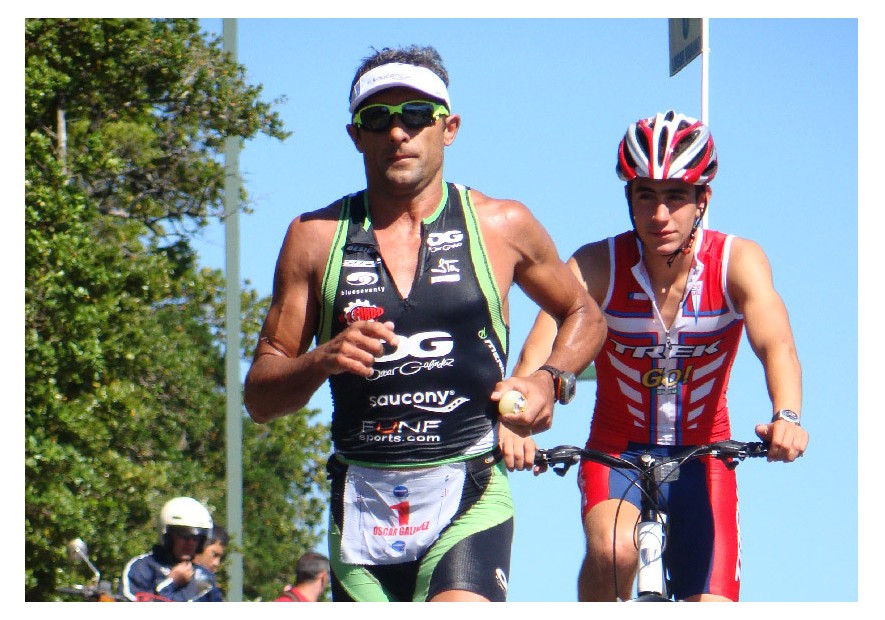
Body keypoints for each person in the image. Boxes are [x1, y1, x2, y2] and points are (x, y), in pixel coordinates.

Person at [243, 44, 605, 603]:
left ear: (449, 127)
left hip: (469, 491)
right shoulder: (314, 238)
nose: (397, 133)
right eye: (377, 119)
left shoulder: (500, 225)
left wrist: (549, 380)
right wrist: (321, 358)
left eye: (415, 115)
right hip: (362, 506)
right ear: (355, 134)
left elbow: (584, 314)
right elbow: (261, 399)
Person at [512, 110, 809, 602]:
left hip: (705, 456)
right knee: (615, 554)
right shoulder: (596, 264)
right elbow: (539, 347)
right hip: (616, 451)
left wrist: (788, 416)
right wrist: (516, 421)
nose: (659, 215)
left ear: (703, 199)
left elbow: (776, 345)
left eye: (675, 197)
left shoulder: (738, 261)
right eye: (645, 195)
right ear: (628, 199)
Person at [120, 496, 222, 602]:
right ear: (168, 536)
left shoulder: (205, 578)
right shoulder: (142, 567)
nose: (190, 543)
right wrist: (171, 582)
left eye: (196, 538)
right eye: (184, 536)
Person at [193, 524, 229, 601]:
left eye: (220, 558)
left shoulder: (210, 585)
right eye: (214, 555)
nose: (216, 563)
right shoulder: (167, 574)